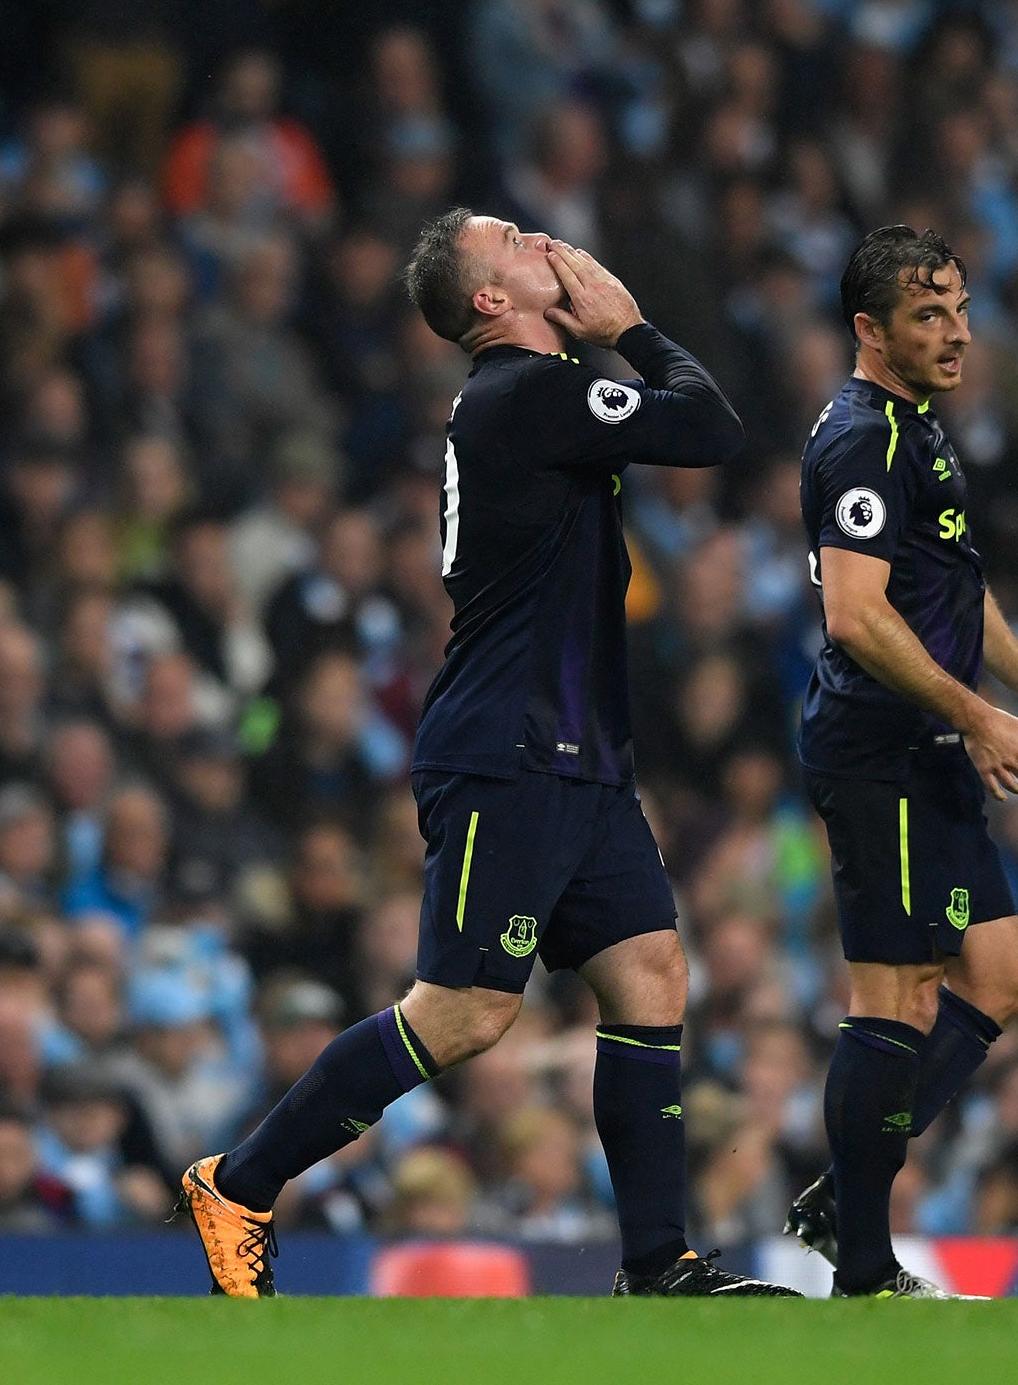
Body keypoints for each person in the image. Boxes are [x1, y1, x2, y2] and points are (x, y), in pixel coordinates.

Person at [178, 207, 796, 1299]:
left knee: (649, 974)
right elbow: (709, 430)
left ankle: (657, 1263)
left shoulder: (537, 403)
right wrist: (634, 328)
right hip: (508, 749)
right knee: (462, 1013)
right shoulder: (526, 394)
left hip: (581, 755)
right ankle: (239, 1181)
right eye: (516, 242)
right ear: (488, 302)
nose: (546, 246)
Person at [787, 226, 1018, 1298]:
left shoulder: (916, 428)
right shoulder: (858, 442)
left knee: (998, 977)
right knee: (894, 999)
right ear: (868, 331)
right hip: (880, 752)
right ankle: (863, 1265)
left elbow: (950, 590)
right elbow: (854, 615)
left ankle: (843, 1191)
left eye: (960, 309)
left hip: (928, 749)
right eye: (929, 316)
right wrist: (974, 713)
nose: (957, 333)